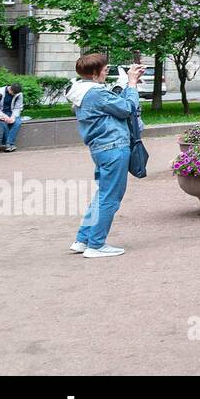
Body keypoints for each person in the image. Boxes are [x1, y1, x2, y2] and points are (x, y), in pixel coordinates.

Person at [66, 53, 143, 259]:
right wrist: (132, 84)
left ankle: (83, 240)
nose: (106, 73)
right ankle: (96, 245)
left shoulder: (83, 91)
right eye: (105, 70)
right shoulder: (95, 93)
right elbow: (127, 108)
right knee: (110, 197)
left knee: (102, 195)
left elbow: (114, 105)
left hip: (101, 148)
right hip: (114, 147)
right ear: (94, 72)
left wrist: (124, 85)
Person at [0, 81, 24, 151]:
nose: (14, 95)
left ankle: (9, 143)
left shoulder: (19, 94)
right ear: (10, 89)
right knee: (4, 124)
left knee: (17, 123)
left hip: (12, 113)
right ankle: (10, 145)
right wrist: (5, 116)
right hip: (0, 113)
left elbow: (18, 107)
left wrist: (13, 117)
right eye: (13, 93)